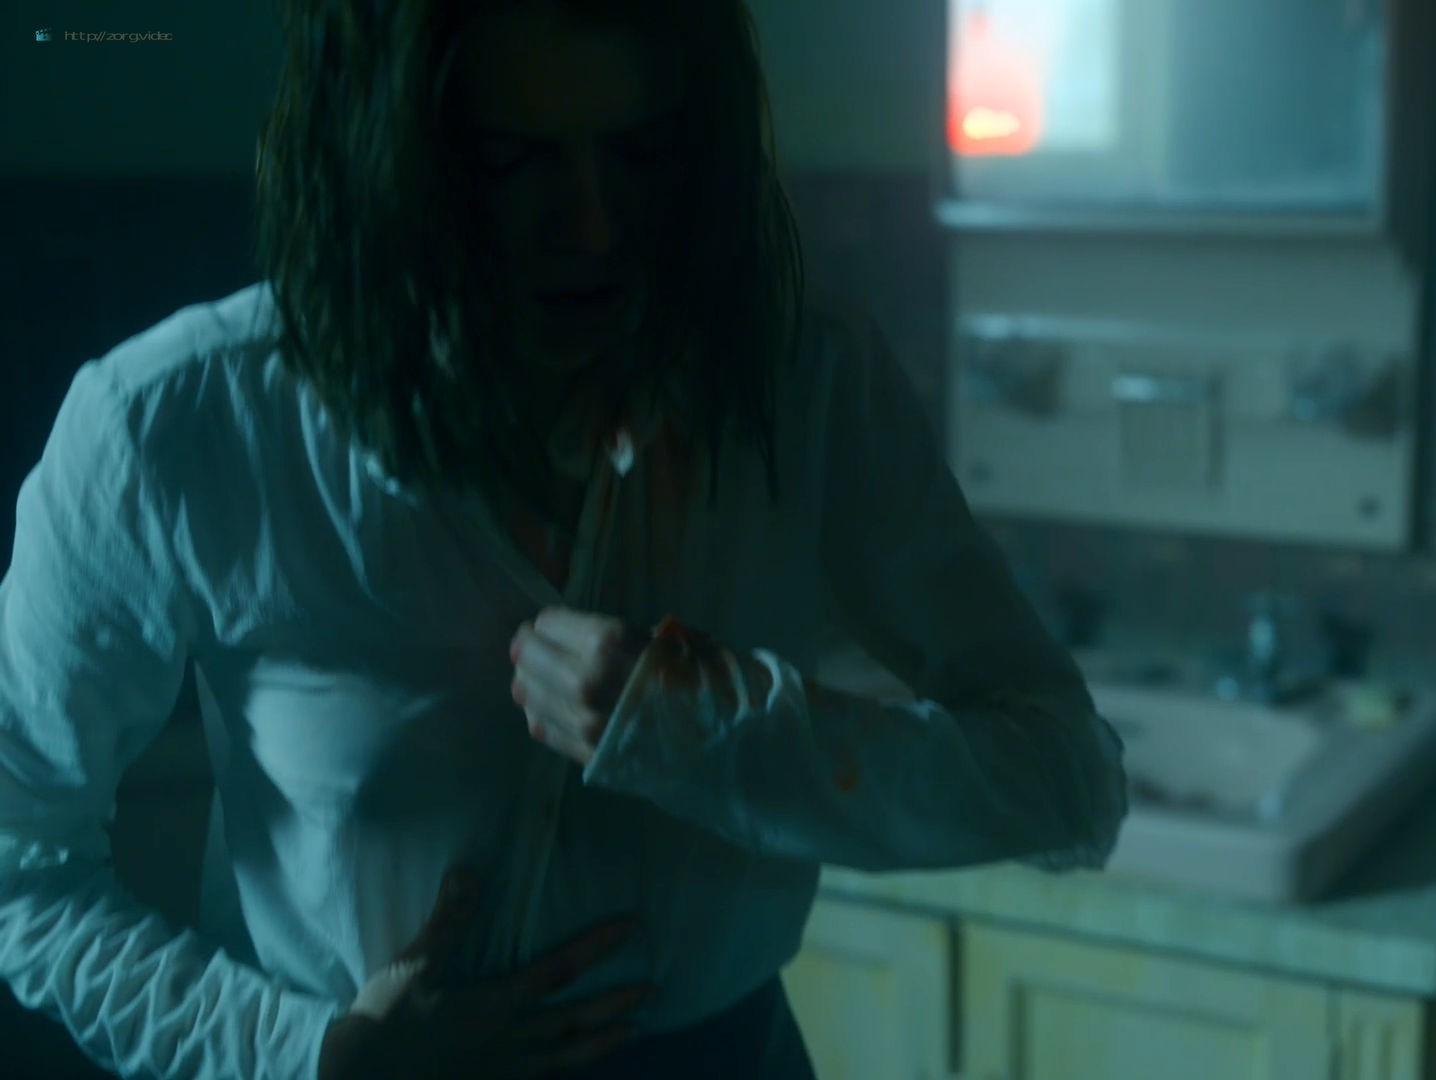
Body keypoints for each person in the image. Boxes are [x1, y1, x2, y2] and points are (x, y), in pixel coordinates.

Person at [0, 1, 1129, 1078]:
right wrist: (303, 1056)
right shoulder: (175, 426)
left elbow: (1068, 780)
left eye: (639, 154)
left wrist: (720, 736)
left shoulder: (808, 387)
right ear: (382, 161)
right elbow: (17, 868)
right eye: (510, 161)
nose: (591, 226)